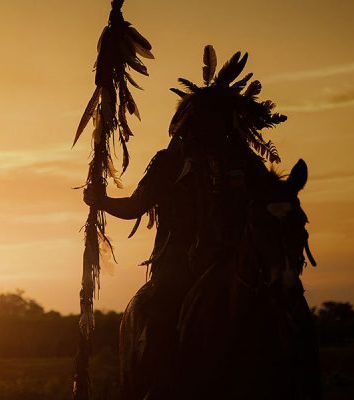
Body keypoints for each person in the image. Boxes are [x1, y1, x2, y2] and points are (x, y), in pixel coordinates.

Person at [84, 46, 299, 398]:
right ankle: (158, 385)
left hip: (236, 261)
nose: (212, 129)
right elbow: (138, 205)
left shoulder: (244, 162)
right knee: (161, 311)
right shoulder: (170, 161)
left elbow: (273, 199)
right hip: (177, 262)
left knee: (289, 310)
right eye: (206, 120)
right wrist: (102, 201)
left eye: (220, 120)